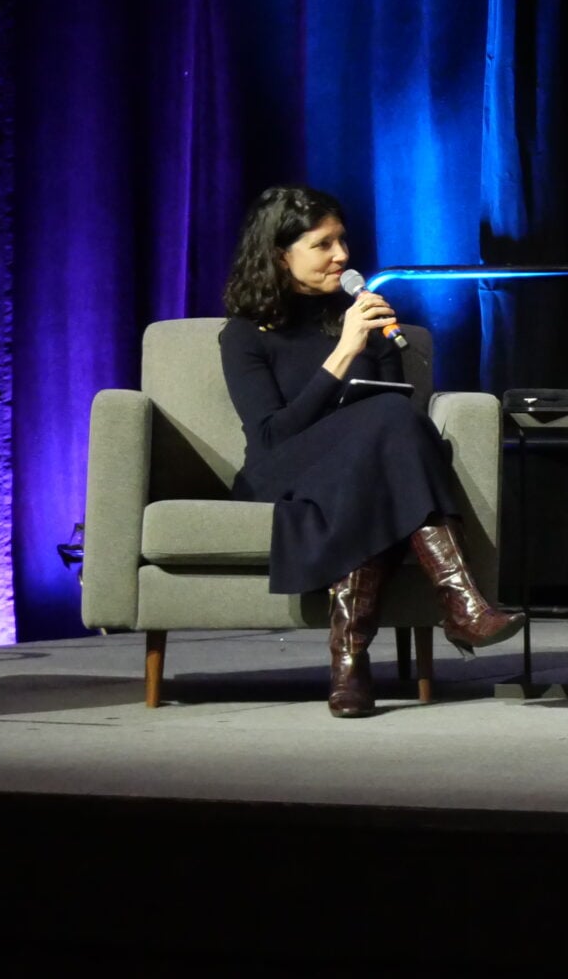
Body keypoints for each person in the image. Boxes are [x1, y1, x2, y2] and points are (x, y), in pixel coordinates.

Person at [219, 186, 520, 719]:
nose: (343, 256)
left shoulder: (365, 317)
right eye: (323, 244)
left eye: (343, 241)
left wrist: (368, 340)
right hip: (281, 471)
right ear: (279, 253)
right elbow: (271, 437)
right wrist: (343, 353)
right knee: (387, 430)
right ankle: (460, 603)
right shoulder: (245, 334)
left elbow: (392, 411)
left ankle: (351, 665)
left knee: (388, 438)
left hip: (355, 476)